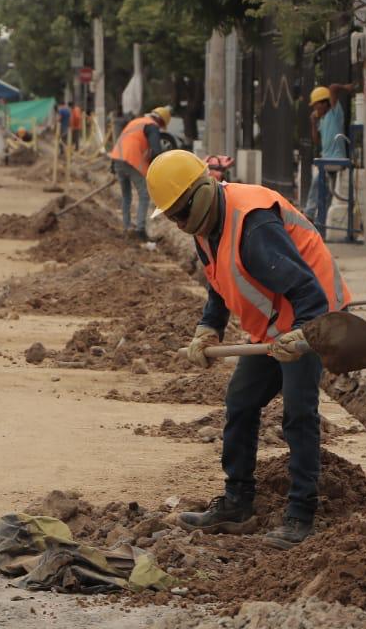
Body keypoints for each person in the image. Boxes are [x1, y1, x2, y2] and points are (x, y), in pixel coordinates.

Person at [146, 149, 351, 549]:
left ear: (201, 194)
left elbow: (307, 288)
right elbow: (218, 281)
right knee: (240, 402)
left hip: (313, 315)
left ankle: (301, 514)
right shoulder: (205, 227)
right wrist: (208, 328)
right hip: (275, 324)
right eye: (171, 217)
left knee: (298, 413)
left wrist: (307, 335)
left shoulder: (254, 226)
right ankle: (238, 502)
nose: (179, 224)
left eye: (180, 214)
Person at [108, 106, 171, 241]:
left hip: (118, 158)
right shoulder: (152, 126)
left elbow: (121, 140)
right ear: (160, 121)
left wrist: (112, 165)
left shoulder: (136, 122)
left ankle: (126, 227)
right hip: (131, 160)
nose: (159, 128)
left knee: (126, 195)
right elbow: (156, 151)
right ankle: (140, 230)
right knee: (144, 194)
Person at [307, 83, 355, 228]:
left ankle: (309, 213)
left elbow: (333, 88)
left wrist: (346, 89)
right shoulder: (322, 120)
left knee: (317, 183)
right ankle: (321, 221)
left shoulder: (334, 113)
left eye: (316, 105)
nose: (315, 109)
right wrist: (313, 124)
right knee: (326, 191)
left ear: (324, 103)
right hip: (327, 160)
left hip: (335, 158)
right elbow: (316, 141)